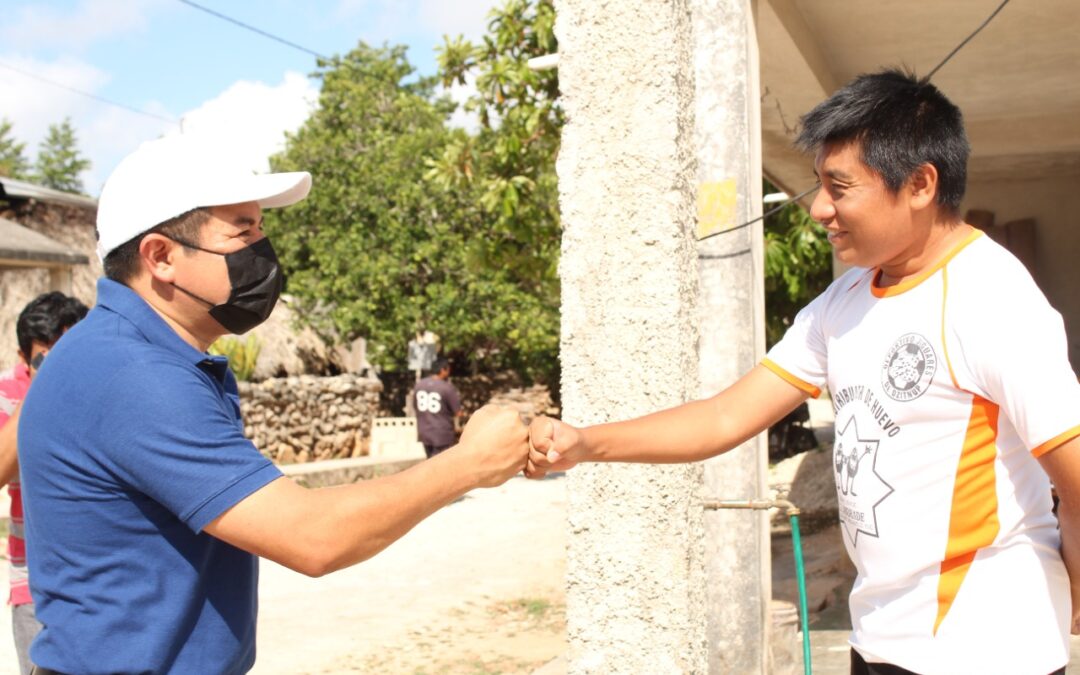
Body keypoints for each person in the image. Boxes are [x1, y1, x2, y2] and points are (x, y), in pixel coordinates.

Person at [526, 69, 1080, 675]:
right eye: (820, 186)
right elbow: (725, 415)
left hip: (985, 644)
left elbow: (1074, 474)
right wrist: (586, 444)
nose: (819, 209)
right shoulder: (843, 303)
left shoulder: (991, 298)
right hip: (882, 636)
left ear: (920, 184)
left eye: (839, 188)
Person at [17, 134, 530, 674]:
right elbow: (313, 537)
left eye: (261, 227)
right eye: (242, 231)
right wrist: (469, 463)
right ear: (161, 256)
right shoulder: (132, 374)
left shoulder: (130, 353)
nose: (262, 250)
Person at [0, 292, 88, 675]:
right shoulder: (7, 396)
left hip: (99, 583)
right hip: (34, 584)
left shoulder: (102, 386)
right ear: (24, 358)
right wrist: (43, 389)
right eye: (46, 355)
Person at [414, 357, 464, 458]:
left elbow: (415, 406)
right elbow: (458, 412)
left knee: (429, 463)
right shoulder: (446, 387)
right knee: (442, 468)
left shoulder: (419, 385)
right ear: (442, 370)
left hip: (424, 432)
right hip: (442, 434)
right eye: (448, 369)